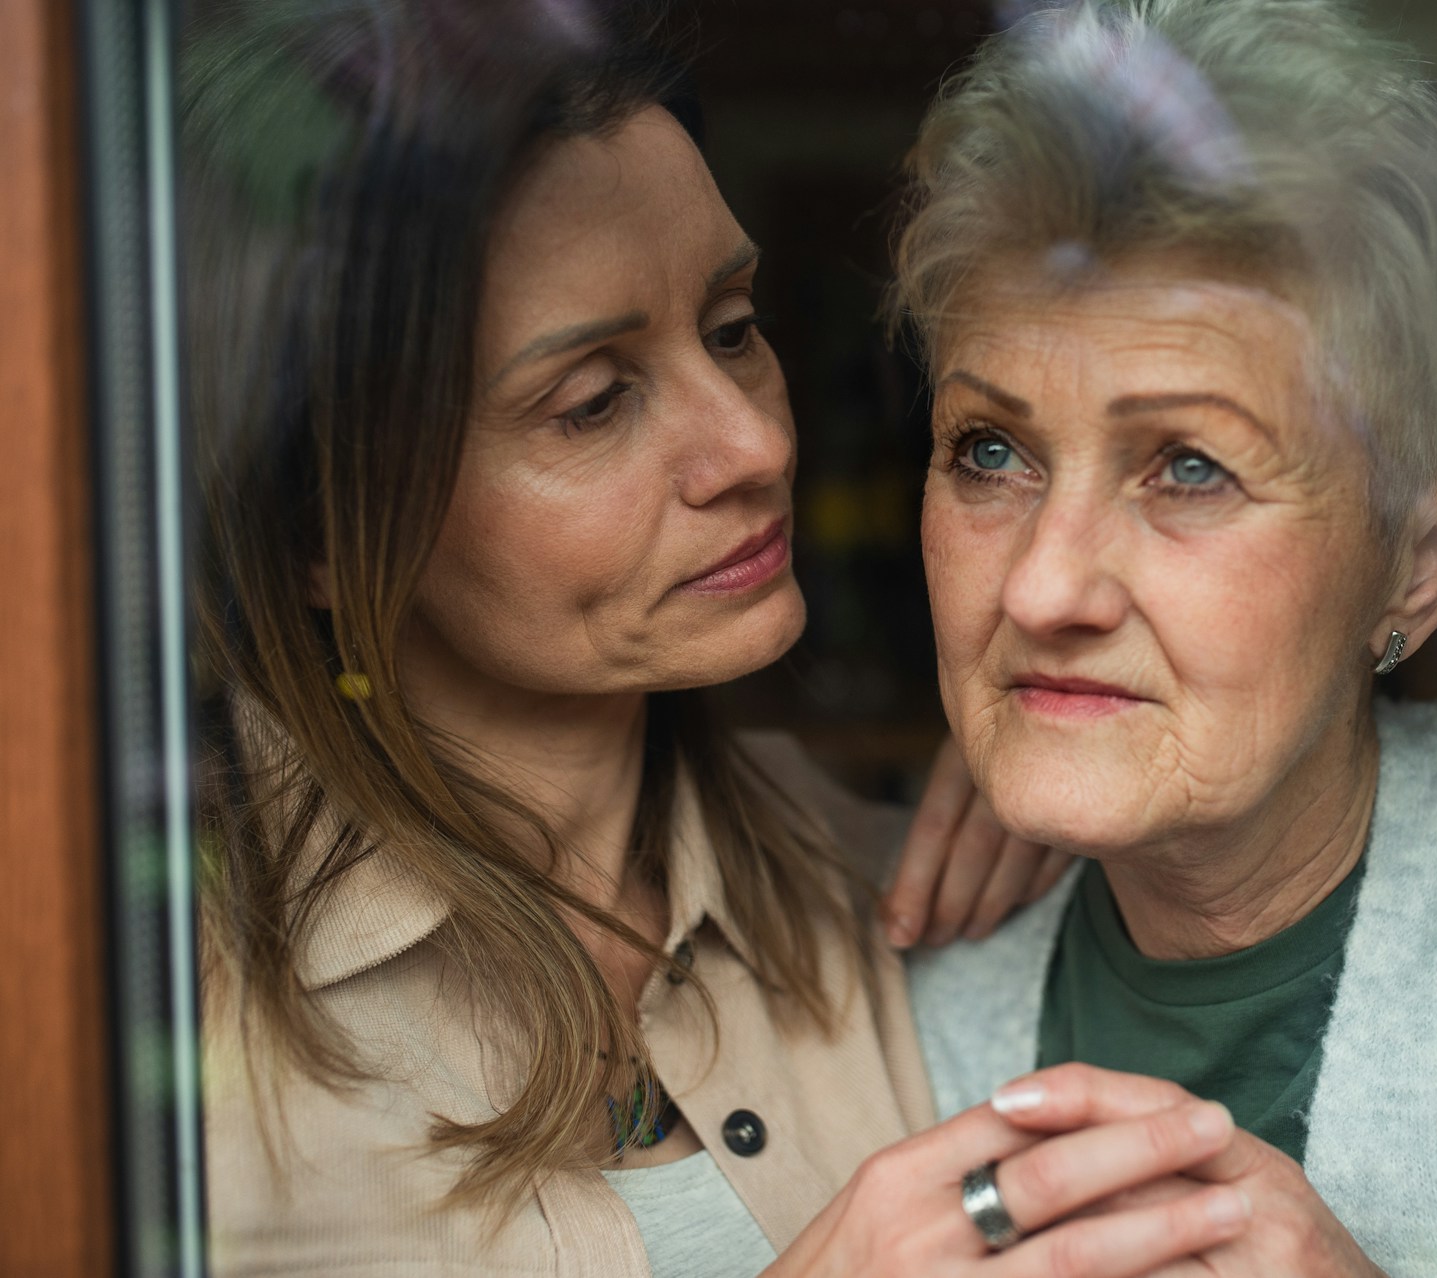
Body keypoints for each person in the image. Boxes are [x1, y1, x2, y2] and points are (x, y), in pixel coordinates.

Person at [189, 2, 1253, 1273]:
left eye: (735, 330)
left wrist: (1055, 747)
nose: (752, 447)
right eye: (591, 405)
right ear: (319, 525)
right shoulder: (130, 1000)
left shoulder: (879, 879)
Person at [897, 1, 1437, 1274]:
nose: (1044, 590)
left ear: (1422, 562)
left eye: (1191, 470)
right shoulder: (903, 1015)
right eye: (988, 452)